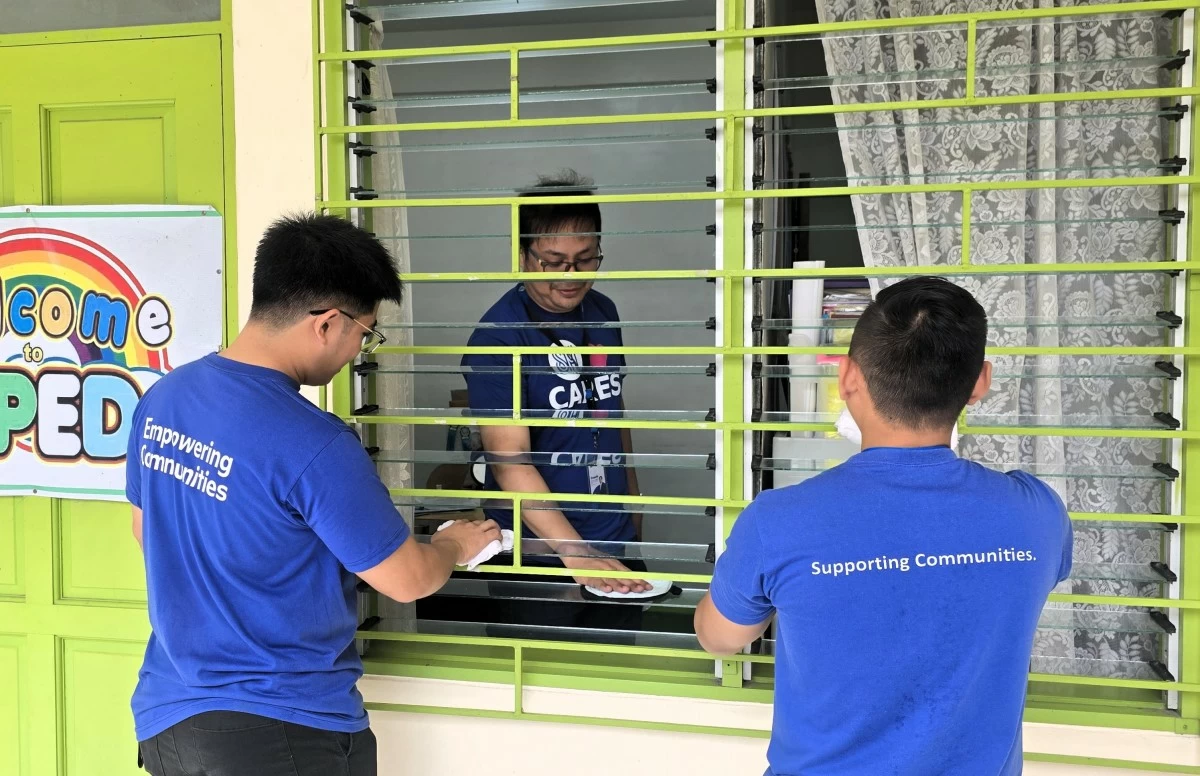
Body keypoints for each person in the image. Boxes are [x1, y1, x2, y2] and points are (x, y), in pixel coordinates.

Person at [127, 213, 500, 776]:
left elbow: (144, 529)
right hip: (281, 734)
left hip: (168, 721)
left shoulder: (165, 398)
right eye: (365, 332)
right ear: (328, 323)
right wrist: (454, 545)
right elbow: (406, 579)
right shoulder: (314, 443)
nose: (360, 350)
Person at [695, 277, 1073, 776]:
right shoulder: (1037, 513)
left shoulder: (779, 521)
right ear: (980, 382)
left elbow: (720, 637)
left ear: (848, 376)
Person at [456, 171, 651, 633]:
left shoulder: (604, 312)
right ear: (523, 256)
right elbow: (510, 464)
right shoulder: (500, 338)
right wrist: (576, 553)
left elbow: (610, 415)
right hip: (541, 553)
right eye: (554, 261)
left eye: (586, 260)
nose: (571, 276)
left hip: (610, 537)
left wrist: (634, 513)